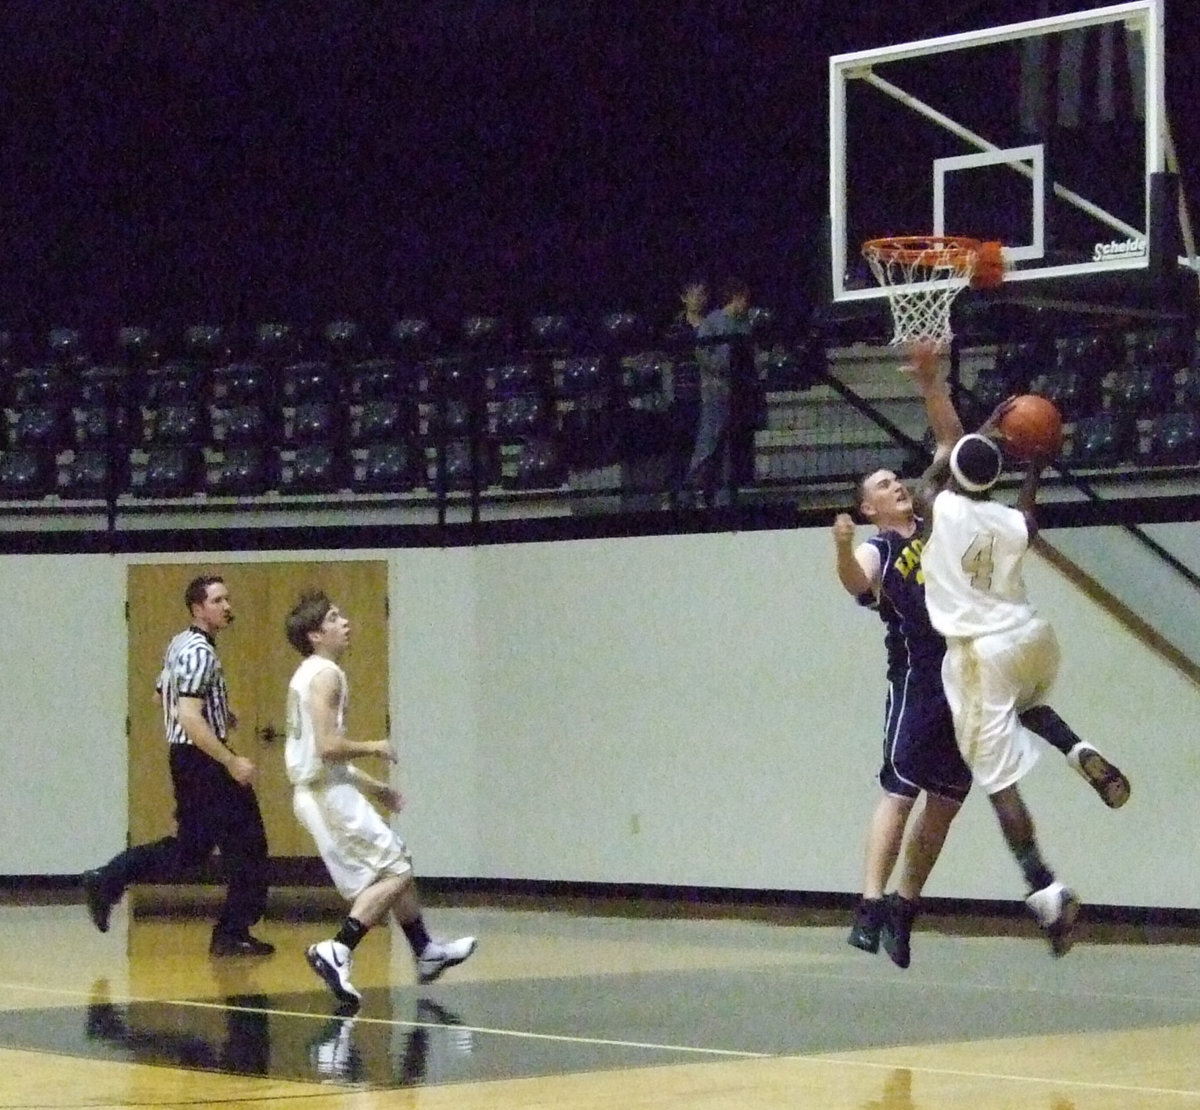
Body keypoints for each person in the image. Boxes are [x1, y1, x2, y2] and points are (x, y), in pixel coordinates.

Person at [912, 349, 1131, 956]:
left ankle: (1046, 891)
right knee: (1027, 701)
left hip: (980, 654)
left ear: (957, 473)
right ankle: (1077, 748)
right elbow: (1028, 514)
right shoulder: (1008, 523)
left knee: (999, 782)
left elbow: (926, 483)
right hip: (1032, 638)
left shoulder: (943, 508)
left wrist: (983, 431)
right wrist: (1035, 464)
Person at [283, 589, 476, 1009]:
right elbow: (329, 748)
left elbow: (324, 757)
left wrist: (375, 788)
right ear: (316, 634)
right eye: (335, 618)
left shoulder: (308, 673)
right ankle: (338, 949)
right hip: (325, 795)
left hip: (324, 790)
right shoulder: (326, 676)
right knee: (395, 872)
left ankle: (425, 951)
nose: (346, 623)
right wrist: (374, 745)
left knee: (393, 866)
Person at [81, 575, 272, 956]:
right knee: (249, 844)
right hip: (205, 761)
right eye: (218, 600)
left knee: (191, 849)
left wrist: (218, 712)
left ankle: (110, 877)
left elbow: (159, 697)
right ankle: (231, 930)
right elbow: (187, 715)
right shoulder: (200, 652)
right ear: (197, 608)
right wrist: (230, 759)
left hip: (186, 759)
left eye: (227, 599)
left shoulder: (179, 643)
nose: (227, 606)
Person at [833, 458, 972, 970]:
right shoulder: (879, 546)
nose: (897, 486)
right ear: (870, 508)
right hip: (918, 682)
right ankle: (869, 904)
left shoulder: (935, 525)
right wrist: (842, 548)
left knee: (947, 802)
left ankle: (904, 905)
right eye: (884, 486)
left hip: (965, 681)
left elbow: (951, 453)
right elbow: (855, 583)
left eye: (897, 480)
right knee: (899, 792)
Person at [683, 278, 757, 507]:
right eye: (744, 299)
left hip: (738, 393)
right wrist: (726, 368)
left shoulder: (743, 324)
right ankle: (689, 491)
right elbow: (703, 355)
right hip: (716, 392)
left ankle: (724, 496)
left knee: (730, 446)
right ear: (735, 297)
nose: (746, 304)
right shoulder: (714, 322)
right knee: (708, 443)